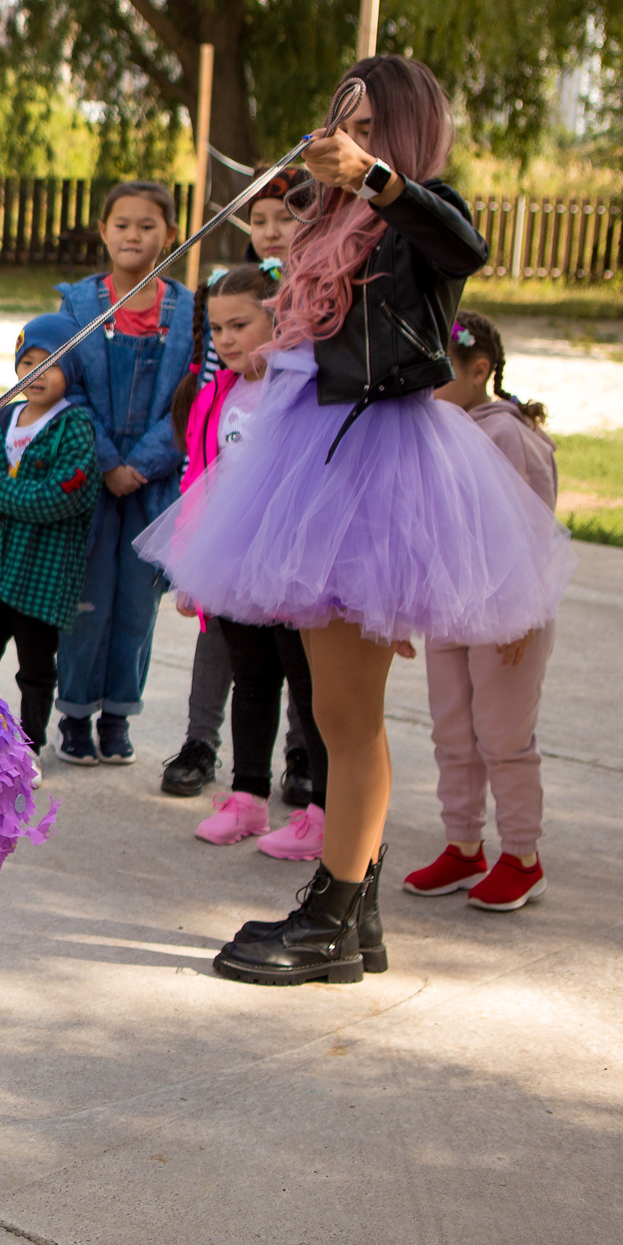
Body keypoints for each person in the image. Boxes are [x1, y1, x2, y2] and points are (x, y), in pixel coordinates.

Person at [137, 55, 575, 986]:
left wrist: (374, 176)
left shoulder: (420, 213)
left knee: (346, 712)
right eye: (344, 124)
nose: (351, 142)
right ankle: (355, 910)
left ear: (406, 133)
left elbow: (464, 246)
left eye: (371, 127)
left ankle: (334, 915)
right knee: (336, 710)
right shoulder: (328, 226)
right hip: (313, 451)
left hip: (371, 465)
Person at [163, 263, 324, 854]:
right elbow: (199, 478)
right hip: (231, 557)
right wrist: (191, 562)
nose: (226, 340)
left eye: (240, 325)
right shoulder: (216, 393)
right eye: (217, 329)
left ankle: (323, 811)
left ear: (276, 320)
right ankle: (248, 798)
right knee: (253, 679)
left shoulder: (300, 387)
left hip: (286, 558)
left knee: (307, 686)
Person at [404, 310, 560, 911]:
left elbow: (535, 530)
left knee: (504, 737)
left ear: (479, 370)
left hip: (507, 614)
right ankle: (463, 846)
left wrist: (524, 613)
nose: (427, 382)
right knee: (453, 734)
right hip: (451, 609)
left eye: (439, 370)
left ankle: (522, 857)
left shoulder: (508, 435)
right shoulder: (435, 429)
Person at [50, 182, 196, 767]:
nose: (134, 235)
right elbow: (66, 386)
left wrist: (142, 464)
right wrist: (108, 461)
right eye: (122, 224)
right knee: (86, 600)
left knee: (138, 602)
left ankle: (117, 717)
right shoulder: (78, 306)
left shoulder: (189, 313)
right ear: (104, 231)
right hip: (90, 476)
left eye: (147, 225)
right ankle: (75, 715)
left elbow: (191, 396)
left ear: (170, 234)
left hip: (153, 481)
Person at [0, 313, 100, 750]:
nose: (37, 373)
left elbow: (56, 498)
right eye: (27, 362)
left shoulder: (74, 428)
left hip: (41, 576)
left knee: (35, 669)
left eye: (50, 363)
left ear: (70, 370)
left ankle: (29, 747)